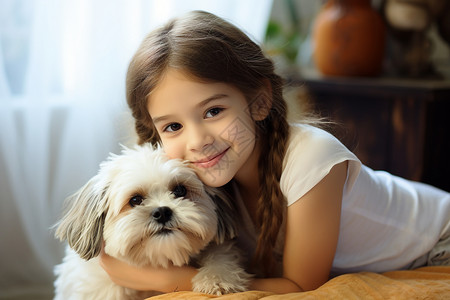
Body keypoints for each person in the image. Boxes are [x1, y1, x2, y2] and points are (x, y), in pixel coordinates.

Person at [100, 10, 450, 293]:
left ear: (260, 101)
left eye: (213, 111)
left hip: (438, 241)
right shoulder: (197, 181)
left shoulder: (312, 158)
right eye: (173, 126)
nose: (197, 141)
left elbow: (301, 285)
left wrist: (167, 282)